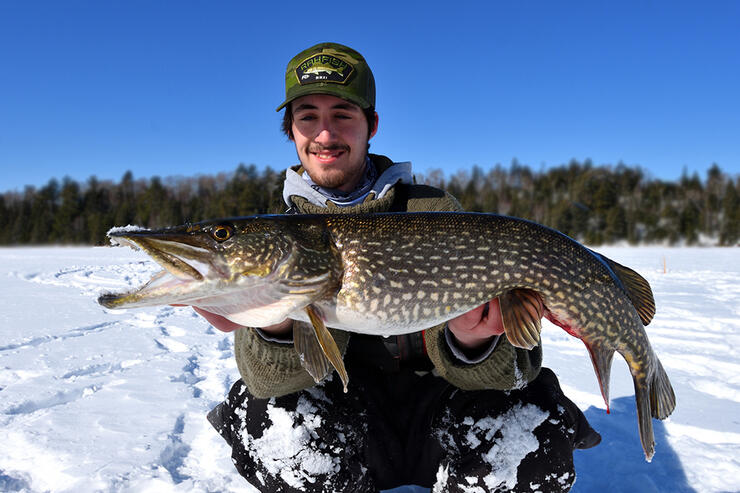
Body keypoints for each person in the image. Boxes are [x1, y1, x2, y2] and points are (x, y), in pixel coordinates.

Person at [199, 42, 600, 492]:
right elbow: (266, 381)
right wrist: (273, 327)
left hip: (440, 418)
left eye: (343, 115)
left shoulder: (431, 210)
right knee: (270, 421)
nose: (325, 135)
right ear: (291, 130)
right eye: (307, 116)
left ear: (371, 125)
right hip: (352, 428)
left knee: (529, 433)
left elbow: (510, 375)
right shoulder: (277, 233)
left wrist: (470, 341)